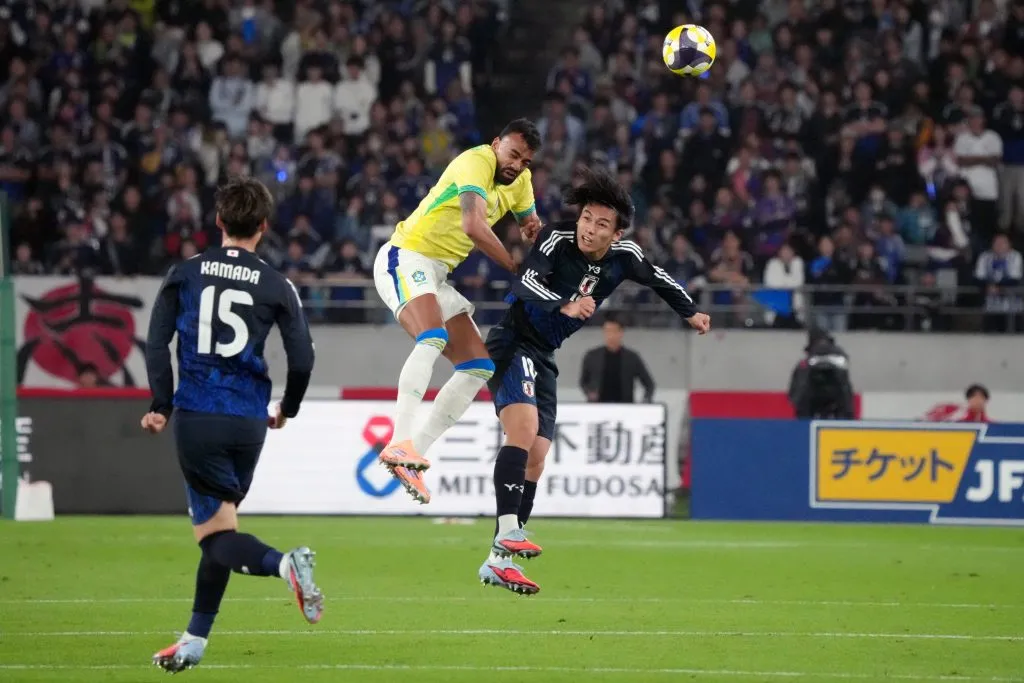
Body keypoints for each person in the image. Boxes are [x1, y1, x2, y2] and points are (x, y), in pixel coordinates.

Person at [479, 168, 711, 594]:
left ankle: (498, 561)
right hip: (512, 342)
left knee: (539, 455)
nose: (589, 228)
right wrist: (566, 304)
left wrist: (690, 311)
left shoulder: (625, 256)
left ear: (616, 232)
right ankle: (508, 529)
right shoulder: (556, 240)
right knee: (524, 431)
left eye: (601, 224)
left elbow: (658, 278)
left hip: (544, 356)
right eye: (587, 217)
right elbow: (525, 282)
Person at [142, 177, 322, 673]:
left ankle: (285, 564)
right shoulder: (276, 284)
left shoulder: (186, 272)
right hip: (249, 422)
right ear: (263, 227)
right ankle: (193, 641)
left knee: (215, 536)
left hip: (200, 414)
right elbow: (303, 357)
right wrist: (289, 408)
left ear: (218, 221)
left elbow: (156, 343)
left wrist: (161, 402)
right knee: (222, 526)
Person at [371, 118, 543, 504]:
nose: (517, 164)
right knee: (432, 336)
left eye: (526, 160)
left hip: (436, 275)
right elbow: (473, 225)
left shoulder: (521, 182)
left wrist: (538, 236)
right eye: (513, 154)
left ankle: (412, 455)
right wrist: (517, 268)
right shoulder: (476, 161)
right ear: (496, 143)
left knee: (478, 367)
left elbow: (530, 224)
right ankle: (398, 440)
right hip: (406, 256)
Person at [579, 316, 655, 403]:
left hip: (624, 407)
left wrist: (646, 399)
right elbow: (583, 381)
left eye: (613, 331)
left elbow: (649, 384)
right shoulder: (592, 356)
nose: (610, 335)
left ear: (621, 332)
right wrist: (590, 392)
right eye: (607, 331)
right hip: (598, 407)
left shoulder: (632, 357)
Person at [787, 328, 855, 419]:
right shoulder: (840, 357)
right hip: (838, 396)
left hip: (812, 396)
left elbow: (799, 385)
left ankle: (803, 425)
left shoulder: (806, 362)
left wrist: (795, 399)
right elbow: (845, 386)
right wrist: (849, 412)